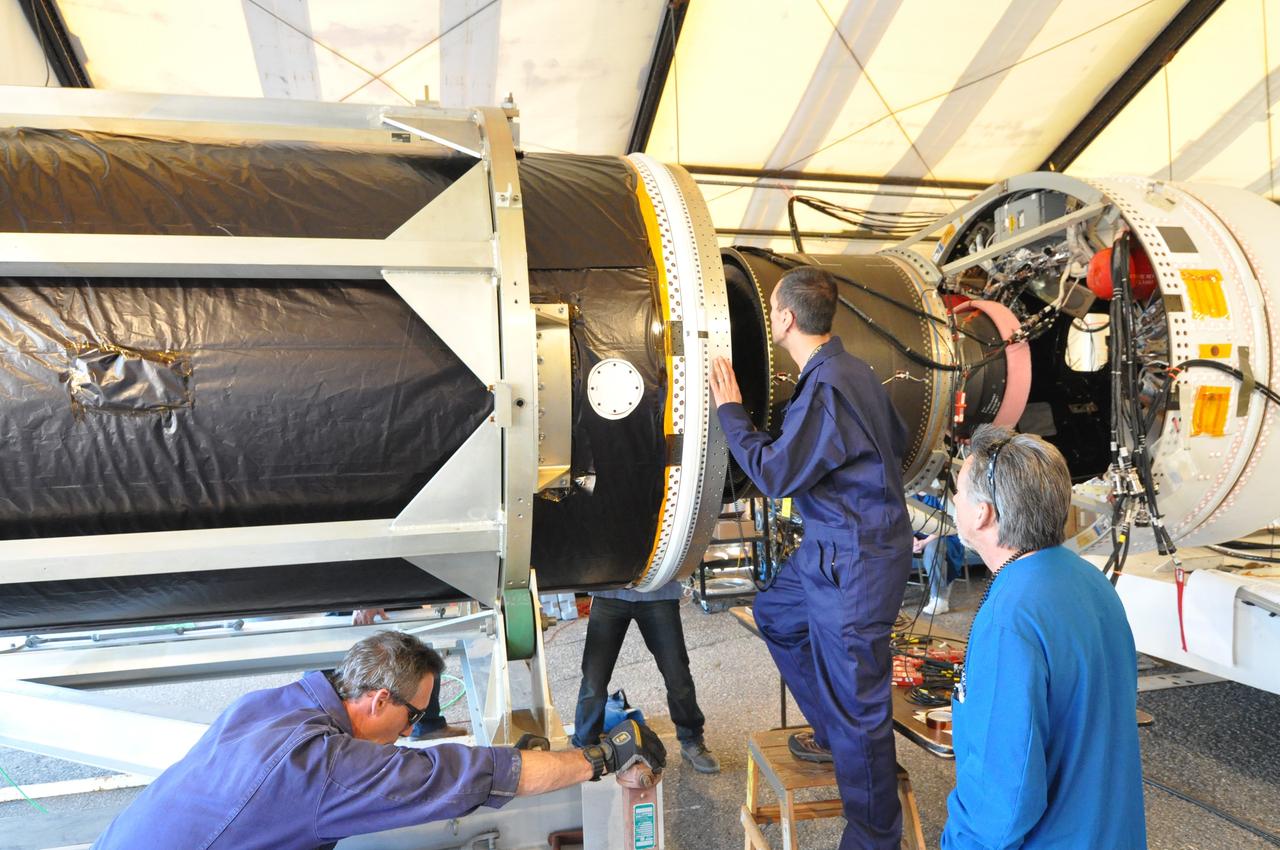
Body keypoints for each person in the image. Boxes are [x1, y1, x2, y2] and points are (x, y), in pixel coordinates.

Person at [92, 630, 665, 850]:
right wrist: (603, 756)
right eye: (414, 716)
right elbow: (474, 776)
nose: (411, 732)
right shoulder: (320, 766)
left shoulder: (271, 708)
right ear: (379, 701)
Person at [709, 266, 913, 850]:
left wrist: (731, 410)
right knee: (775, 614)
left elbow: (774, 473)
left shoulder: (826, 388)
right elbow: (894, 440)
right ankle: (830, 733)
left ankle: (875, 837)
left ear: (786, 319)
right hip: (834, 546)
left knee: (860, 709)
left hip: (854, 559)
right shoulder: (855, 373)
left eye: (771, 309)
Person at [942, 425, 1145, 848]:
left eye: (959, 491)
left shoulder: (1011, 615)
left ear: (983, 512)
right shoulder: (1091, 581)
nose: (955, 500)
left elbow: (1003, 797)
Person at [571, 580, 720, 774]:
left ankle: (691, 739)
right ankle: (584, 748)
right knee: (594, 679)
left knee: (677, 674)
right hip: (610, 594)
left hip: (659, 594)